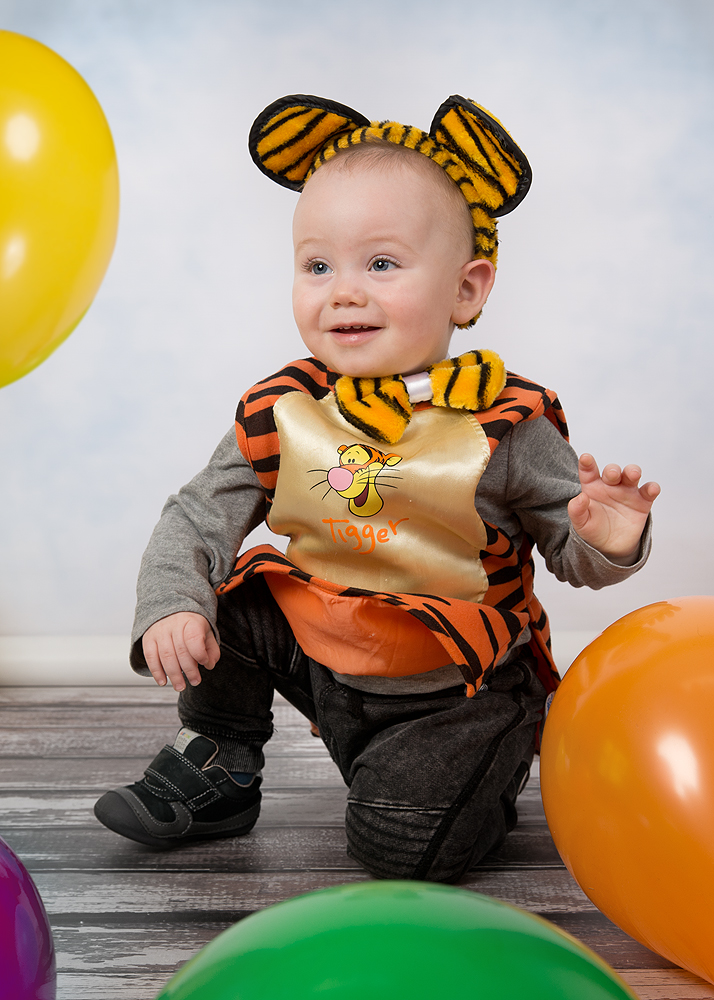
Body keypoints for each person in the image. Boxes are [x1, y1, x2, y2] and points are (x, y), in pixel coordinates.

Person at [94, 95, 659, 882]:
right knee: (229, 597)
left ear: (467, 290)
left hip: (454, 691)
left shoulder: (505, 422)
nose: (344, 291)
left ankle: (469, 774)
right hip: (325, 663)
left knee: (397, 851)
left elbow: (572, 554)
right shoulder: (282, 410)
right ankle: (221, 761)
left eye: (382, 264)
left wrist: (607, 537)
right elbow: (196, 517)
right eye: (317, 265)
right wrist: (171, 604)